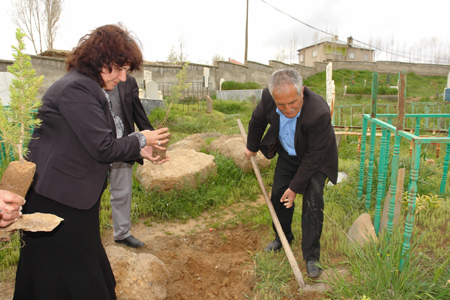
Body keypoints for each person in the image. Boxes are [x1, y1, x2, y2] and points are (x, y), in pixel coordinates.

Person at [13, 24, 169, 300]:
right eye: (119, 69)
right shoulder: (77, 89)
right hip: (59, 199)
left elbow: (87, 142)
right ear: (100, 60)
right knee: (60, 272)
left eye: (126, 71)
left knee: (73, 267)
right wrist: (141, 139)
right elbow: (102, 146)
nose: (123, 78)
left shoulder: (83, 86)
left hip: (69, 196)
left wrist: (134, 150)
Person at [244, 68, 338, 278]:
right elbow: (258, 120)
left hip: (316, 158)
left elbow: (314, 156)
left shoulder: (318, 113)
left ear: (302, 92)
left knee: (313, 199)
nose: (287, 109)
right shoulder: (269, 97)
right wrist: (251, 146)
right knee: (279, 194)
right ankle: (282, 238)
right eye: (281, 105)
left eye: (293, 103)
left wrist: (295, 188)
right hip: (289, 152)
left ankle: (312, 255)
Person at [108, 75, 158, 248]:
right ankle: (88, 238)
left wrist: (152, 138)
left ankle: (122, 234)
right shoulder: (88, 78)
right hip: (95, 146)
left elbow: (138, 111)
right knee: (89, 195)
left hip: (123, 145)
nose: (122, 73)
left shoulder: (128, 81)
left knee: (122, 191)